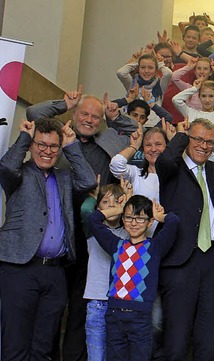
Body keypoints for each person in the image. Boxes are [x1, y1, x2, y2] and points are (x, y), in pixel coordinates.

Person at [26, 86, 137, 360]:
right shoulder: (59, 137)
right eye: (84, 113)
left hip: (91, 236)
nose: (89, 119)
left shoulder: (108, 139)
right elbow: (33, 112)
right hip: (53, 232)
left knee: (80, 306)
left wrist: (115, 115)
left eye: (95, 116)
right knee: (50, 307)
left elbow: (135, 129)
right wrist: (63, 103)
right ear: (74, 115)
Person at [0, 118, 96, 360]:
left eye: (53, 146)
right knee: (15, 344)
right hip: (20, 268)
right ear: (32, 146)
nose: (47, 151)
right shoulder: (18, 173)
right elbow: (6, 166)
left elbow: (86, 180)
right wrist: (24, 137)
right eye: (41, 144)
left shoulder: (63, 177)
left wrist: (71, 146)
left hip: (55, 272)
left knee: (43, 347)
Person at [155, 118, 214, 360]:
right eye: (197, 139)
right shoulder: (172, 168)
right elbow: (164, 159)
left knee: (208, 338)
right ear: (188, 139)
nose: (203, 145)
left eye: (209, 142)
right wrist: (180, 135)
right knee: (176, 340)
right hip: (180, 261)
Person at [88, 195, 179, 360]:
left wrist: (159, 216)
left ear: (149, 222)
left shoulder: (154, 248)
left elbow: (174, 222)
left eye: (140, 218)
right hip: (114, 314)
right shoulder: (115, 245)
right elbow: (93, 220)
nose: (134, 223)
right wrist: (118, 209)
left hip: (140, 317)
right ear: (123, 219)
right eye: (129, 217)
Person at [81, 182, 128, 361]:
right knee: (96, 357)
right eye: (105, 203)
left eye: (116, 202)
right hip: (97, 303)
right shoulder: (93, 230)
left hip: (122, 304)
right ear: (98, 206)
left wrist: (127, 203)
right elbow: (86, 211)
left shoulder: (129, 232)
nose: (111, 207)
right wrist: (93, 197)